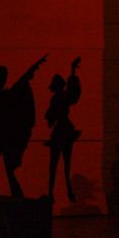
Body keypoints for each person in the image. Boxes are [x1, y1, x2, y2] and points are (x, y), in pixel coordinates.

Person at [0, 54, 48, 197]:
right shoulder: (4, 96)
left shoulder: (6, 97)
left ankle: (9, 189)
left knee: (3, 164)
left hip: (3, 134)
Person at [44, 57, 82, 203]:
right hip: (66, 130)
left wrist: (72, 69)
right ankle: (67, 191)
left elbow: (51, 118)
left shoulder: (56, 99)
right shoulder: (65, 96)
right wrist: (72, 69)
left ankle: (52, 193)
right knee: (66, 164)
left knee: (53, 165)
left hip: (60, 130)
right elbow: (72, 90)